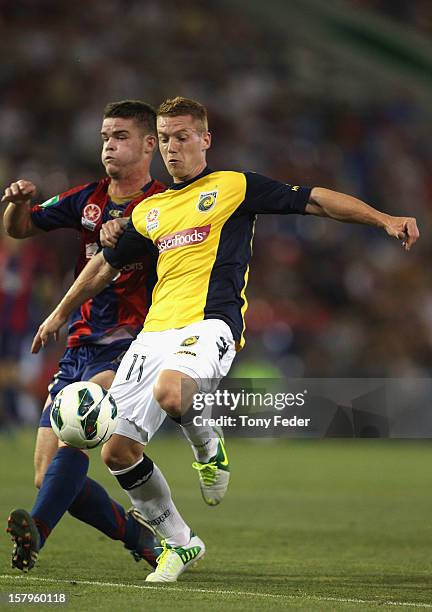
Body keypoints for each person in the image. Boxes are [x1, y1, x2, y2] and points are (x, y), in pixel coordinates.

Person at [31, 96, 419, 583]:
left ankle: (208, 445)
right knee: (116, 452)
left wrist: (385, 219)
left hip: (210, 323)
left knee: (172, 391)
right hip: (153, 334)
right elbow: (103, 268)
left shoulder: (233, 186)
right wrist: (58, 314)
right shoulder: (151, 211)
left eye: (183, 137)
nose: (173, 148)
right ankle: (179, 542)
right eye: (167, 139)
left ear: (205, 139)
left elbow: (315, 199)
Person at [2, 100, 224, 575]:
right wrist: (18, 206)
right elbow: (21, 230)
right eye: (105, 136)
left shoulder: (169, 204)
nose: (108, 145)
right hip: (81, 345)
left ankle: (37, 531)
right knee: (48, 477)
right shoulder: (88, 198)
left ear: (149, 145)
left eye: (120, 136)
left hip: (133, 343)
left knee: (76, 435)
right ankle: (145, 541)